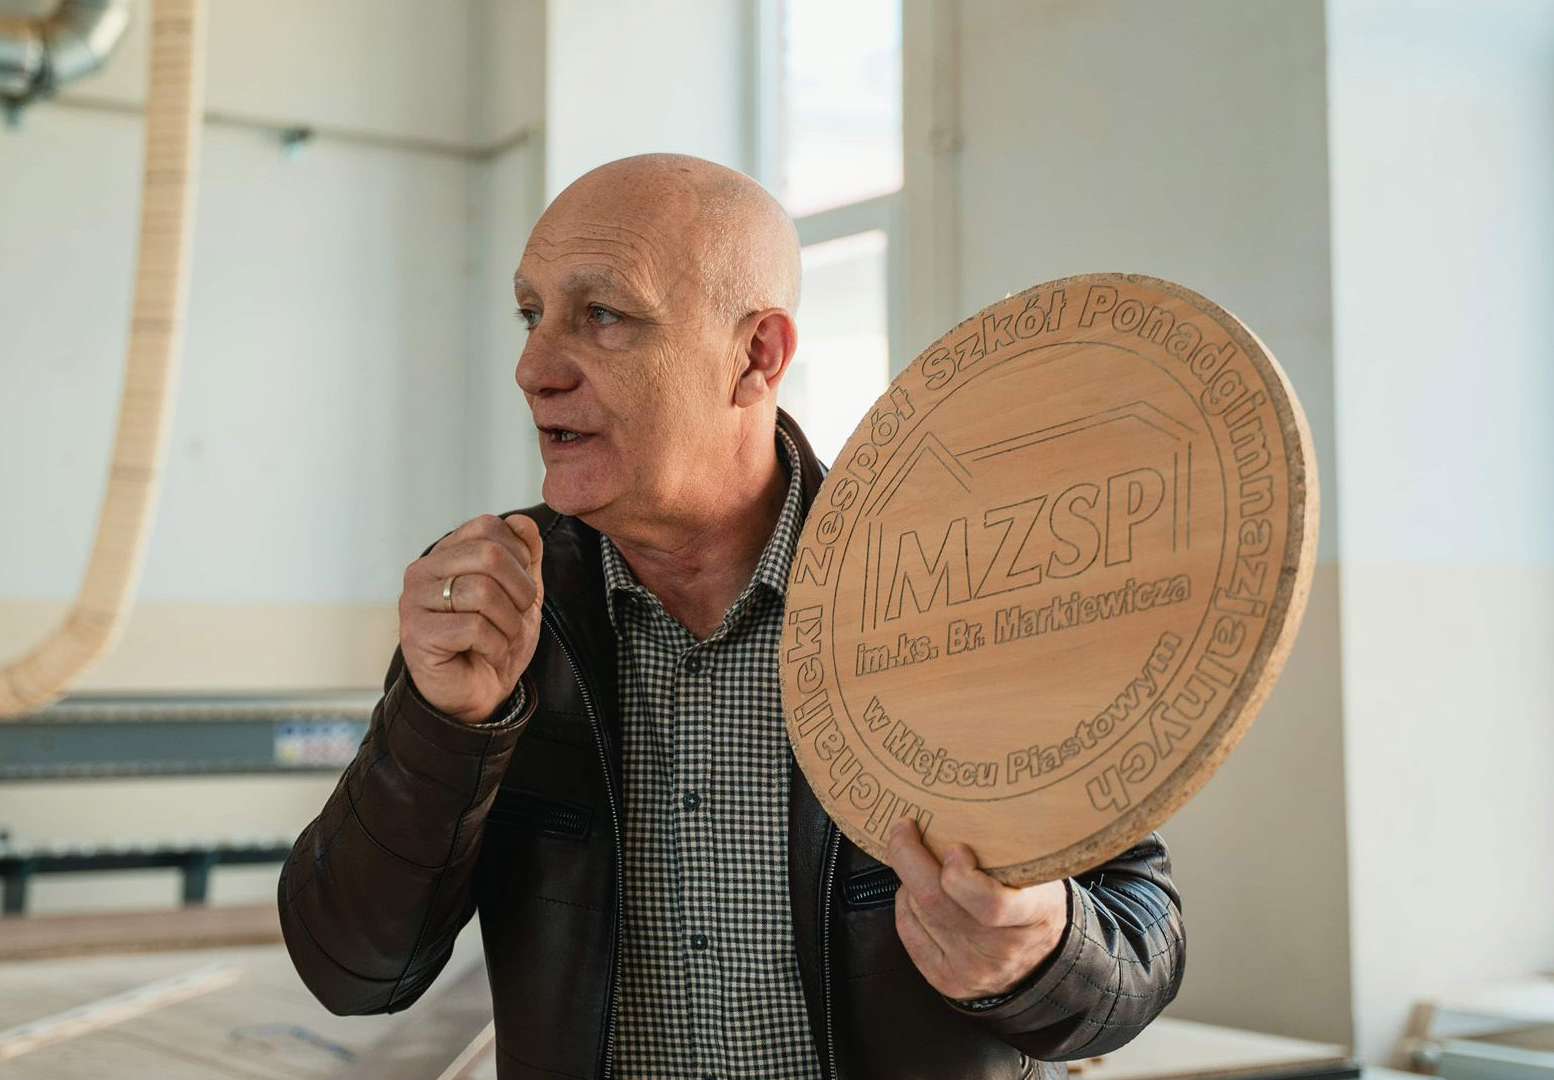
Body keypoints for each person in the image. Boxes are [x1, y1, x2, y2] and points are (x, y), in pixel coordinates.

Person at [279, 153, 1184, 1080]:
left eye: (603, 314)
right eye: (530, 312)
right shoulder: (499, 608)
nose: (533, 367)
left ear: (757, 356)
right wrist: (446, 725)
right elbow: (352, 971)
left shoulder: (952, 583)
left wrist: (1038, 951)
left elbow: (1141, 944)